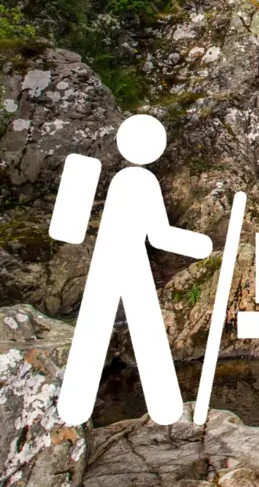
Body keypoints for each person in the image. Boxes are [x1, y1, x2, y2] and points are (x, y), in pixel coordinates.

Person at [55, 114, 213, 426]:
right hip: (130, 263)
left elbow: (69, 225)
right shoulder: (142, 181)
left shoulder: (117, 179)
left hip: (108, 260)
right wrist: (201, 246)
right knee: (145, 332)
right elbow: (159, 235)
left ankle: (74, 407)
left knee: (95, 329)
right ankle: (164, 409)